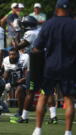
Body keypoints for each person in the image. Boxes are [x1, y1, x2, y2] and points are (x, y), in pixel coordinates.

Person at [32, 0, 76, 135]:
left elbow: (36, 48)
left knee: (44, 97)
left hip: (50, 66)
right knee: (69, 99)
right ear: (69, 10)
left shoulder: (49, 24)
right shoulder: (74, 25)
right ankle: (68, 132)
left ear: (56, 9)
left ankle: (38, 130)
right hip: (69, 67)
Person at [2, 48, 29, 123]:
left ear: (18, 55)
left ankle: (20, 112)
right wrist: (2, 83)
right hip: (18, 82)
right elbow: (6, 74)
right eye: (10, 54)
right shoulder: (6, 60)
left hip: (29, 81)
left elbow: (27, 77)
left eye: (13, 54)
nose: (11, 56)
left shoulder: (25, 58)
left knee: (19, 90)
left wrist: (11, 84)